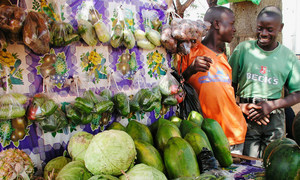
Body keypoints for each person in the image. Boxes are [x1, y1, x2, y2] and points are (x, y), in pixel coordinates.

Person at [229, 6, 300, 158]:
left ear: (280, 28)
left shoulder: (288, 57)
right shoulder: (243, 50)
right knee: (248, 161)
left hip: (275, 115)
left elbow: (298, 93)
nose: (263, 33)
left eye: (269, 29)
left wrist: (272, 105)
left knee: (273, 160)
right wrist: (237, 108)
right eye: (260, 28)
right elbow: (229, 86)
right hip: (247, 115)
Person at [177, 6, 248, 154]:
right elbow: (176, 85)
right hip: (208, 137)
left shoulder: (223, 57)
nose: (235, 29)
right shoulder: (191, 52)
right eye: (232, 23)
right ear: (216, 24)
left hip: (234, 132)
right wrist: (191, 69)